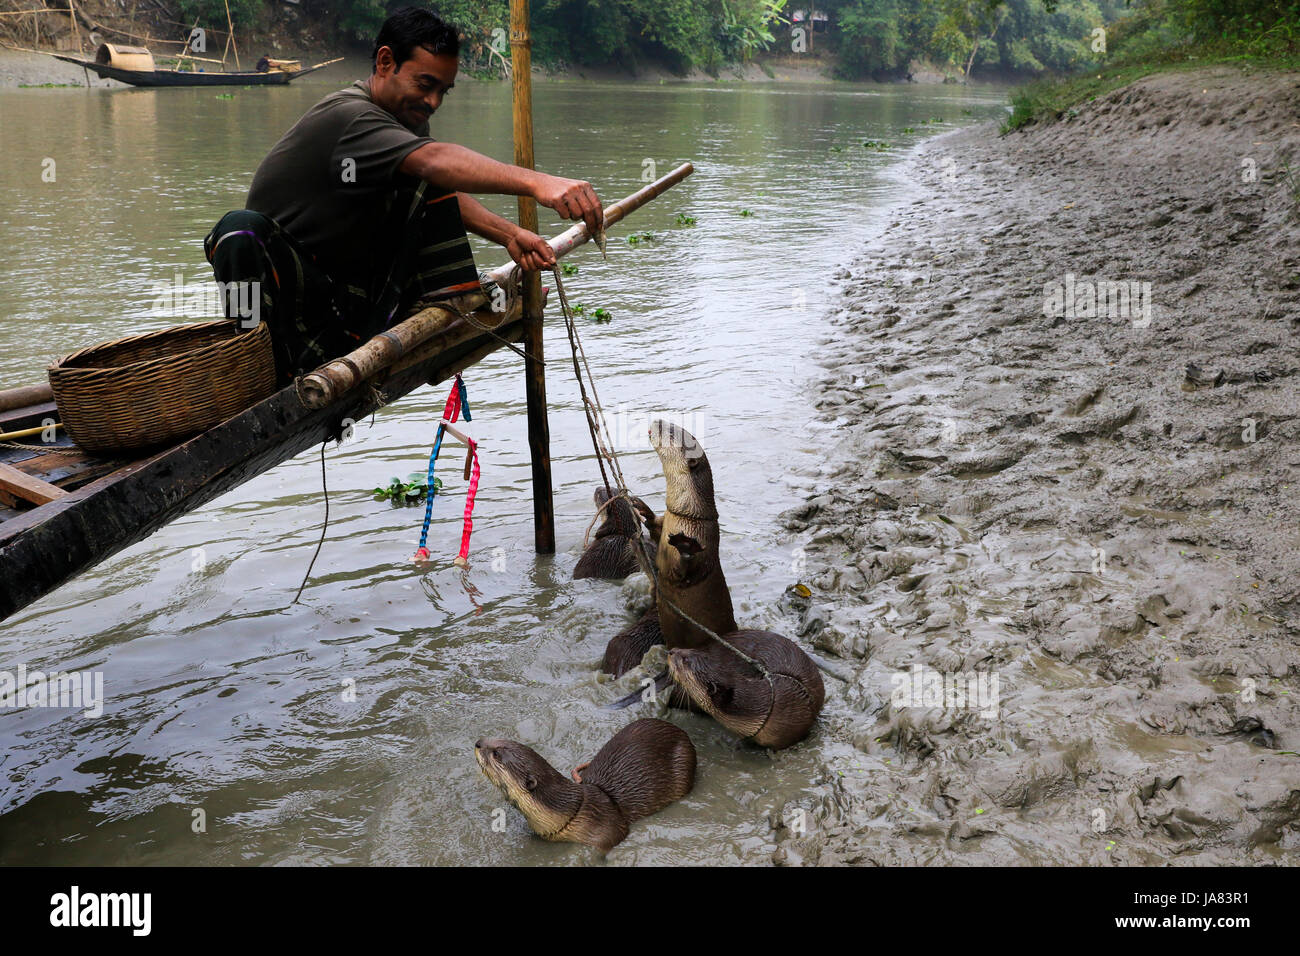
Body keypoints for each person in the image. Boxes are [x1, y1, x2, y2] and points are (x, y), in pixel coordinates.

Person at [204, 6, 603, 384]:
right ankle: (259, 361)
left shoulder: (403, 124)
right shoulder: (351, 115)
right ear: (384, 63)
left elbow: (433, 184)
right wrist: (538, 184)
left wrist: (509, 235)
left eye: (443, 91)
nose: (433, 102)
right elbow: (435, 164)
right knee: (240, 228)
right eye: (425, 84)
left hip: (346, 297)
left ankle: (417, 309)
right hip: (292, 302)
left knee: (422, 174)